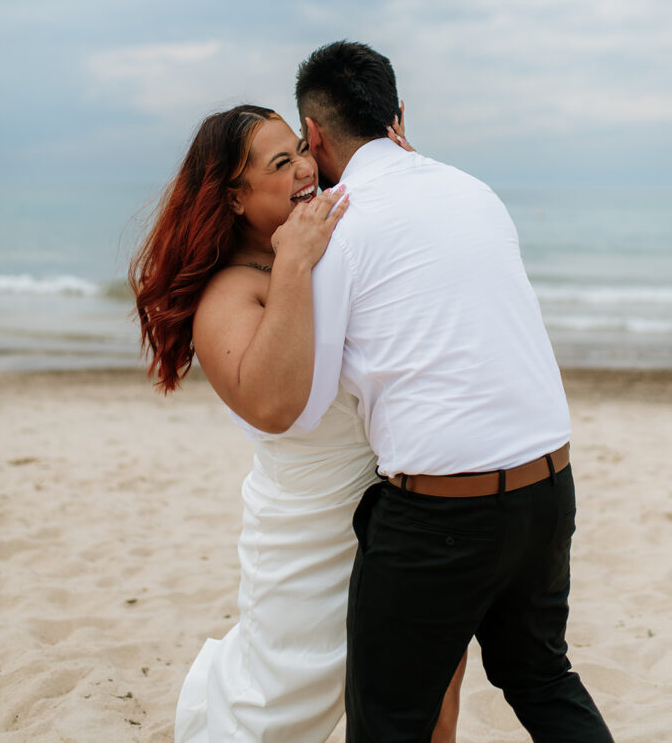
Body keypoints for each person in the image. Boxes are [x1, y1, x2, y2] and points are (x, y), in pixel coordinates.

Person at [260, 40, 614, 743]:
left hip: (444, 516)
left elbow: (303, 398)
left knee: (388, 720)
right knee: (542, 679)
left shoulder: (339, 223)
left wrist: (287, 270)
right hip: (550, 486)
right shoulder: (472, 190)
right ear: (399, 113)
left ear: (317, 136)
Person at [128, 104, 465, 743]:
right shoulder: (231, 293)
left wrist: (400, 168)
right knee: (275, 707)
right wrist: (291, 264)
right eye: (281, 164)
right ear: (233, 196)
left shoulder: (325, 230)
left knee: (433, 680)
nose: (307, 169)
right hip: (305, 534)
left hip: (396, 512)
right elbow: (273, 405)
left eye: (301, 151)